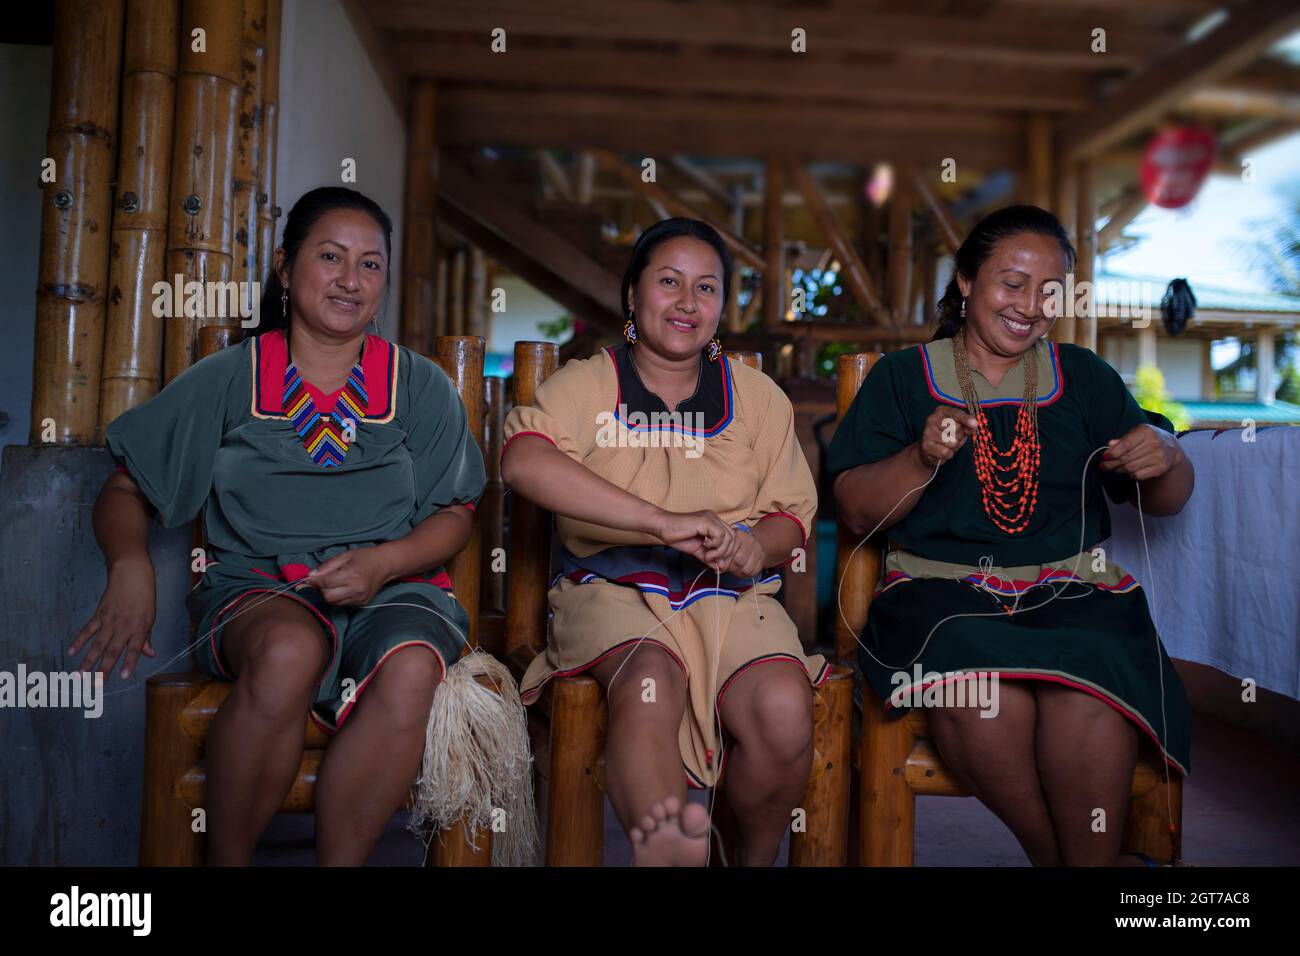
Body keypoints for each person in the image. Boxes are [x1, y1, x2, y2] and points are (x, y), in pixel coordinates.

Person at [73, 186, 487, 865]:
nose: (351, 280)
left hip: (396, 590)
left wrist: (383, 564)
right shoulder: (230, 378)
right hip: (256, 589)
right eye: (330, 256)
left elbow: (455, 515)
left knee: (413, 666)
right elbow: (125, 487)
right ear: (284, 267)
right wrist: (131, 564)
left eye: (371, 264)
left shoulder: (420, 386)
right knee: (289, 651)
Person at [829, 205, 1194, 867]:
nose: (1032, 305)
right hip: (941, 597)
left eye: (1049, 290)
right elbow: (855, 513)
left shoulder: (1083, 377)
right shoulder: (901, 378)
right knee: (982, 696)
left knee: (1091, 690)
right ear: (966, 282)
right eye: (1012, 283)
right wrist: (920, 457)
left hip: (1074, 594)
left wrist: (1166, 456)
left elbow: (1167, 502)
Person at [501, 218, 826, 866]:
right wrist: (658, 520)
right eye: (668, 282)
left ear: (722, 306)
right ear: (631, 294)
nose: (686, 302)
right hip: (614, 593)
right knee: (650, 682)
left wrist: (751, 548)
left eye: (705, 288)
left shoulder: (757, 396)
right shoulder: (589, 384)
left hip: (734, 598)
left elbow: (791, 515)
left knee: (785, 706)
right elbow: (523, 460)